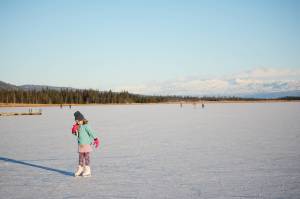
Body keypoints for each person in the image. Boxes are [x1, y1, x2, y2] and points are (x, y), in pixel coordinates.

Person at [72, 111, 100, 177]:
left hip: (87, 144)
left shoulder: (86, 126)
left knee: (86, 157)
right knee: (81, 157)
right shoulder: (78, 126)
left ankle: (88, 170)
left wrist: (96, 139)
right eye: (76, 121)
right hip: (80, 145)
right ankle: (80, 169)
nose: (77, 122)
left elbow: (91, 132)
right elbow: (76, 134)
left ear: (82, 120)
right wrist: (74, 130)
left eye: (78, 121)